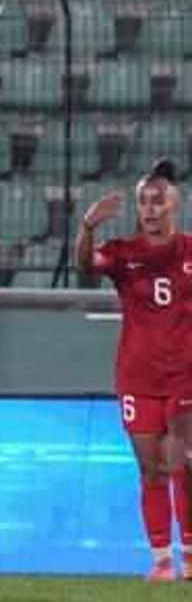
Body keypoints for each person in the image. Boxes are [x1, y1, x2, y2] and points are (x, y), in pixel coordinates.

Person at [77, 158, 192, 582]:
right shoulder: (124, 255)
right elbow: (86, 266)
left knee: (183, 462)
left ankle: (191, 555)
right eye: (143, 201)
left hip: (184, 376)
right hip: (137, 379)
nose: (149, 208)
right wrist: (88, 228)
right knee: (151, 470)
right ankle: (161, 561)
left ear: (173, 205)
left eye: (157, 201)